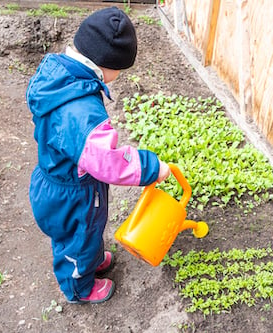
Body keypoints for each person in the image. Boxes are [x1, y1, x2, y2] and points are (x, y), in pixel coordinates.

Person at [26, 7, 170, 304]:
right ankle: (79, 288)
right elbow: (108, 162)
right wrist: (151, 167)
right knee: (77, 241)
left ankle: (87, 259)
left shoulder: (58, 78)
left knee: (82, 237)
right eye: (120, 70)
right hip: (74, 195)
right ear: (106, 65)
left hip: (56, 179)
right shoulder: (81, 112)